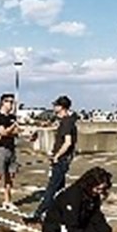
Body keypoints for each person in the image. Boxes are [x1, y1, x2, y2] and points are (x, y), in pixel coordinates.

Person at [26, 95, 78, 223]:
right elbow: (52, 128)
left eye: (56, 105)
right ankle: (61, 214)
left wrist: (57, 156)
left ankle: (38, 214)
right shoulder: (66, 121)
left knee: (51, 189)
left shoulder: (67, 122)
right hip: (62, 159)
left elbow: (68, 142)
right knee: (60, 190)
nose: (54, 107)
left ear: (61, 107)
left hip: (61, 160)